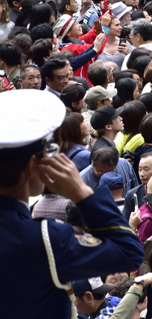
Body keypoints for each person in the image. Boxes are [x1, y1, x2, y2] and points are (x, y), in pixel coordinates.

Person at [0, 89, 144, 318]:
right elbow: (129, 252)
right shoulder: (45, 238)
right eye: (50, 152)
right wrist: (82, 193)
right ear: (33, 165)